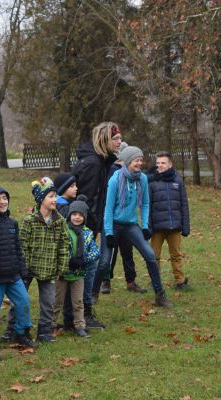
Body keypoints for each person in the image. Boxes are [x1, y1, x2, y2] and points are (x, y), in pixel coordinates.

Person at [102, 146, 172, 308]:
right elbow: (108, 208)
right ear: (127, 162)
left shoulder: (142, 179)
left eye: (141, 159)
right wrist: (109, 233)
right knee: (104, 262)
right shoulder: (115, 179)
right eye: (136, 160)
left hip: (131, 225)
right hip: (113, 223)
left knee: (150, 255)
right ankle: (91, 296)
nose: (140, 163)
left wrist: (145, 226)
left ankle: (160, 296)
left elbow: (146, 203)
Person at [71, 122, 120, 327]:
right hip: (83, 226)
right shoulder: (94, 164)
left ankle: (80, 313)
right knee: (87, 268)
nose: (119, 142)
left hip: (89, 224)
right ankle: (83, 315)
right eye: (115, 139)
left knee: (85, 267)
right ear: (104, 140)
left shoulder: (101, 162)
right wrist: (90, 228)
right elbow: (87, 199)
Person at [0, 187, 36, 350]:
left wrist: (22, 270)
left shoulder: (12, 223)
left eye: (5, 198)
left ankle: (22, 333)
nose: (2, 202)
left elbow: (18, 248)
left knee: (23, 301)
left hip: (13, 275)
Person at [18, 177, 70, 343]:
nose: (55, 199)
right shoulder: (29, 220)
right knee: (19, 299)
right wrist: (23, 267)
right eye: (51, 196)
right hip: (29, 268)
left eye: (55, 196)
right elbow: (22, 245)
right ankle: (12, 329)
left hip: (49, 269)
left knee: (48, 302)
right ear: (41, 199)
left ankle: (44, 331)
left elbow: (64, 245)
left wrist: (61, 267)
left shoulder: (60, 221)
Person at [101, 142, 147, 296]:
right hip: (114, 222)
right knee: (110, 254)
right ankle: (105, 280)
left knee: (128, 253)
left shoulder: (137, 175)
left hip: (129, 223)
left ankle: (131, 281)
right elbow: (109, 200)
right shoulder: (114, 172)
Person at [53, 196, 100, 337]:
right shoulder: (64, 230)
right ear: (69, 215)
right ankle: (50, 325)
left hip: (79, 274)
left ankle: (79, 326)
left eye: (80, 215)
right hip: (63, 273)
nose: (77, 217)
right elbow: (59, 248)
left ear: (85, 217)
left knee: (78, 302)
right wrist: (69, 260)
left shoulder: (88, 233)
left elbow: (95, 251)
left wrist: (85, 259)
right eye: (74, 214)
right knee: (57, 301)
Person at [149, 151, 191, 290]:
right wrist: (147, 227)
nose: (160, 165)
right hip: (157, 228)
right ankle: (155, 282)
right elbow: (147, 206)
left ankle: (180, 281)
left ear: (170, 164)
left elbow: (184, 205)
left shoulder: (178, 181)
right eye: (158, 163)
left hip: (174, 227)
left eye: (163, 163)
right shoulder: (152, 181)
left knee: (176, 255)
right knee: (154, 256)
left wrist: (185, 226)